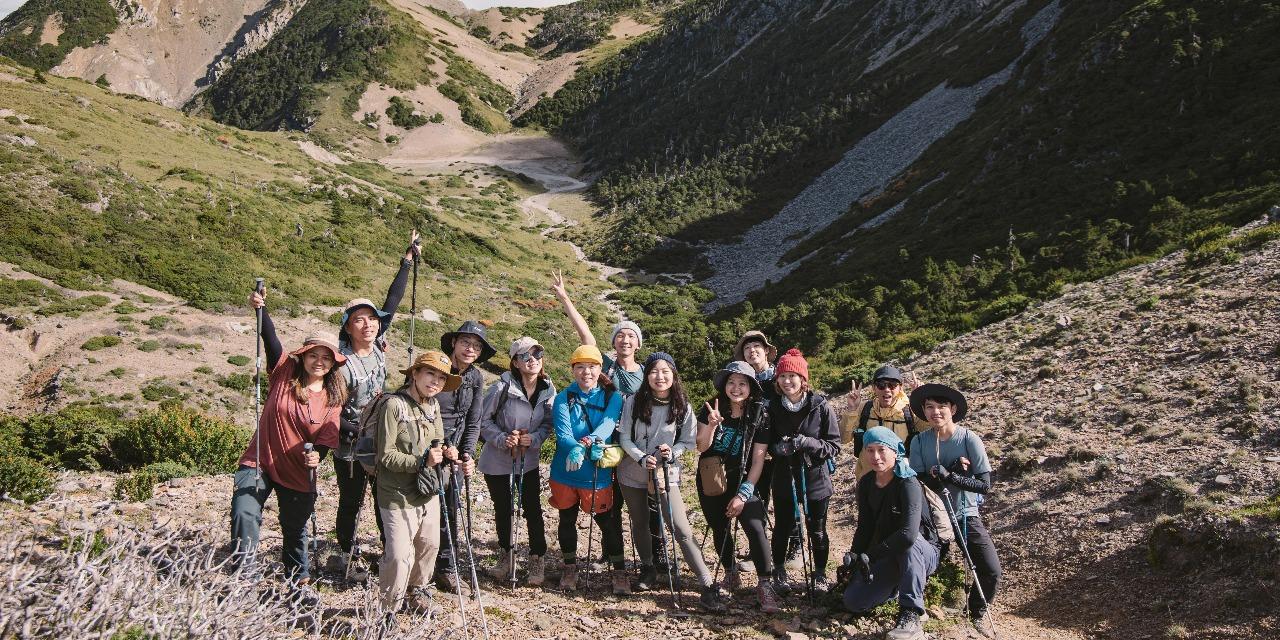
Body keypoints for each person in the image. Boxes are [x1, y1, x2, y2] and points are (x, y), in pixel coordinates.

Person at [231, 288, 347, 604]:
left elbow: (327, 436)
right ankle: (244, 579)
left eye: (326, 357)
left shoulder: (334, 397)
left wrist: (317, 458)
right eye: (314, 355)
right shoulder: (282, 372)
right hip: (260, 460)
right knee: (244, 513)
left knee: (295, 531)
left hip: (298, 471)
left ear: (333, 362)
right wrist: (261, 310)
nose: (319, 361)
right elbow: (271, 341)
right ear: (304, 355)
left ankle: (298, 582)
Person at [551, 271, 666, 570]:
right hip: (607, 441)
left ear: (638, 344)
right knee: (609, 501)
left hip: (638, 443)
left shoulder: (648, 371)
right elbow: (585, 337)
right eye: (620, 335)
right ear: (613, 342)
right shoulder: (606, 367)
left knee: (647, 500)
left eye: (631, 336)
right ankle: (611, 552)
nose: (625, 339)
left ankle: (656, 555)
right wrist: (565, 299)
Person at [331, 231, 421, 581]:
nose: (368, 324)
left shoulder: (379, 343)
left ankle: (391, 553)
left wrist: (407, 262)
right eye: (359, 320)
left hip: (381, 440)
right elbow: (334, 410)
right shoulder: (343, 363)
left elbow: (393, 300)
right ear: (348, 327)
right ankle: (345, 554)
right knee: (351, 499)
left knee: (384, 498)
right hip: (351, 444)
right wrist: (352, 432)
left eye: (372, 319)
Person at [617, 353, 724, 611]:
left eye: (665, 371)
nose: (660, 376)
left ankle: (707, 583)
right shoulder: (634, 401)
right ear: (647, 375)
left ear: (674, 375)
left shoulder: (682, 405)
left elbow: (688, 442)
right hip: (633, 472)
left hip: (666, 474)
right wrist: (642, 458)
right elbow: (624, 437)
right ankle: (647, 568)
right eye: (654, 371)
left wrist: (672, 453)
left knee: (681, 528)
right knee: (640, 522)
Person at [374, 350, 459, 631]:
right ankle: (387, 609)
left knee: (430, 545)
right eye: (430, 374)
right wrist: (422, 461)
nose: (435, 382)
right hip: (397, 493)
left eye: (441, 378)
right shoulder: (393, 406)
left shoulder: (433, 406)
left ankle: (417, 590)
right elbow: (385, 456)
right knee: (399, 555)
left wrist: (446, 451)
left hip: (428, 490)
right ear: (415, 373)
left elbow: (436, 441)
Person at [908, 383, 1000, 636]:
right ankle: (919, 609)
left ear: (953, 409)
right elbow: (917, 481)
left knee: (990, 569)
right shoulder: (918, 441)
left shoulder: (969, 439)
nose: (935, 412)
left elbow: (984, 484)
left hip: (964, 513)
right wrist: (941, 474)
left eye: (941, 407)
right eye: (930, 407)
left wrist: (953, 476)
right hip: (932, 518)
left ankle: (976, 612)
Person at [842, 427, 941, 640]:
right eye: (870, 450)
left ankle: (911, 612)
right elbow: (865, 526)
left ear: (896, 451)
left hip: (923, 553)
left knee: (908, 544)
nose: (875, 457)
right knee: (854, 601)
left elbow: (907, 534)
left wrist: (874, 554)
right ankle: (896, 587)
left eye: (881, 450)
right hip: (889, 552)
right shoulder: (867, 483)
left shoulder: (908, 483)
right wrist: (856, 557)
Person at [755, 349, 841, 594]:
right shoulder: (771, 408)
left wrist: (806, 443)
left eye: (793, 375)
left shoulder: (820, 405)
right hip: (784, 476)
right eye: (782, 376)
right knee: (782, 526)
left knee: (817, 529)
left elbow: (833, 445)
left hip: (815, 477)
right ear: (777, 381)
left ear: (803, 379)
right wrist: (778, 447)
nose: (787, 381)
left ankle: (820, 574)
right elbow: (766, 442)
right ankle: (779, 570)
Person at [695, 361, 778, 612]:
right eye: (731, 382)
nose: (736, 388)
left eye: (743, 383)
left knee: (754, 526)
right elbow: (701, 447)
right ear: (724, 385)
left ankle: (765, 584)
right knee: (719, 527)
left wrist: (743, 493)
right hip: (712, 476)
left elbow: (758, 459)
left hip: (744, 478)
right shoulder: (710, 408)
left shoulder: (760, 414)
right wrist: (711, 425)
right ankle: (731, 571)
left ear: (751, 387)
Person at [549, 345, 627, 593]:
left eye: (592, 367)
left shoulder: (611, 396)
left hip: (597, 471)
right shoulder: (563, 397)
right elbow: (563, 434)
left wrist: (586, 444)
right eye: (580, 367)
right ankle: (570, 567)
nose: (586, 372)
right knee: (567, 519)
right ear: (573, 370)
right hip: (566, 470)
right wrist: (580, 446)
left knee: (607, 521)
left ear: (600, 369)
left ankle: (619, 571)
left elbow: (607, 424)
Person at [478, 337, 555, 587]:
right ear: (515, 362)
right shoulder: (500, 389)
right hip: (497, 461)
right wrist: (502, 438)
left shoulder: (548, 389)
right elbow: (482, 422)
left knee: (532, 509)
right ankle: (505, 556)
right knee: (504, 509)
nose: (532, 359)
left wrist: (533, 439)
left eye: (537, 353)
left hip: (529, 460)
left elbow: (547, 425)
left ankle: (537, 558)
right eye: (525, 356)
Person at [432, 320, 492, 593]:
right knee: (422, 510)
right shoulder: (434, 367)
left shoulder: (476, 378)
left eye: (477, 346)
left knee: (450, 512)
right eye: (466, 342)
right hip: (427, 448)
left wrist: (467, 453)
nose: (471, 349)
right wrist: (443, 445)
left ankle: (446, 568)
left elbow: (474, 420)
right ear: (454, 343)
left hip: (454, 453)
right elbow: (422, 410)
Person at [844, 365, 919, 481]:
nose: (887, 389)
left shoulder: (910, 411)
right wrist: (852, 410)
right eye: (881, 385)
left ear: (900, 388)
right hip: (868, 480)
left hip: (899, 479)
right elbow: (844, 438)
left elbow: (933, 434)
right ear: (874, 388)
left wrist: (922, 401)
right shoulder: (864, 409)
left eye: (892, 385)